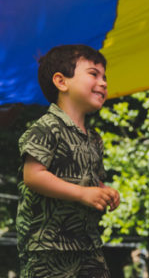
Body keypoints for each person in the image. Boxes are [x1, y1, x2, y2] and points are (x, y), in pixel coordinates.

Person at [16, 45, 120, 278]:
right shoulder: (46, 128)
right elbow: (33, 176)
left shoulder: (94, 140)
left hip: (87, 246)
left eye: (105, 77)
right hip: (48, 248)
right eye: (94, 74)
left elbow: (89, 184)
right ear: (62, 82)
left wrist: (103, 192)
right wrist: (83, 194)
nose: (103, 83)